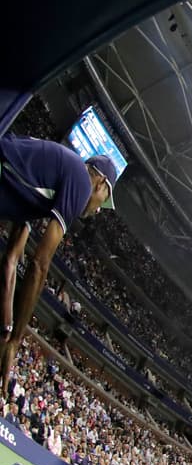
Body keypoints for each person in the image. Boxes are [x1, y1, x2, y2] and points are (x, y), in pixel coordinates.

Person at [0, 133, 117, 387]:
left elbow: (11, 260)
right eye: (104, 200)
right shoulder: (81, 182)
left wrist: (7, 331)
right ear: (101, 183)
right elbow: (39, 264)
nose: (98, 210)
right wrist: (17, 341)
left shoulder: (47, 179)